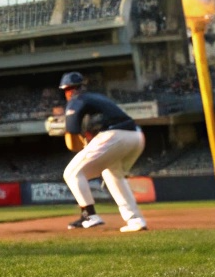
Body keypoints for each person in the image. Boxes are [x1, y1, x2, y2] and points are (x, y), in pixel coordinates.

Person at [57, 72, 148, 232]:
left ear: (67, 90)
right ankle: (135, 220)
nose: (68, 93)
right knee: (112, 174)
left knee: (71, 173)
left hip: (114, 135)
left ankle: (89, 215)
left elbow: (71, 137)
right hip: (136, 136)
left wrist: (81, 145)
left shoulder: (75, 100)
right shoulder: (97, 97)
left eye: (68, 90)